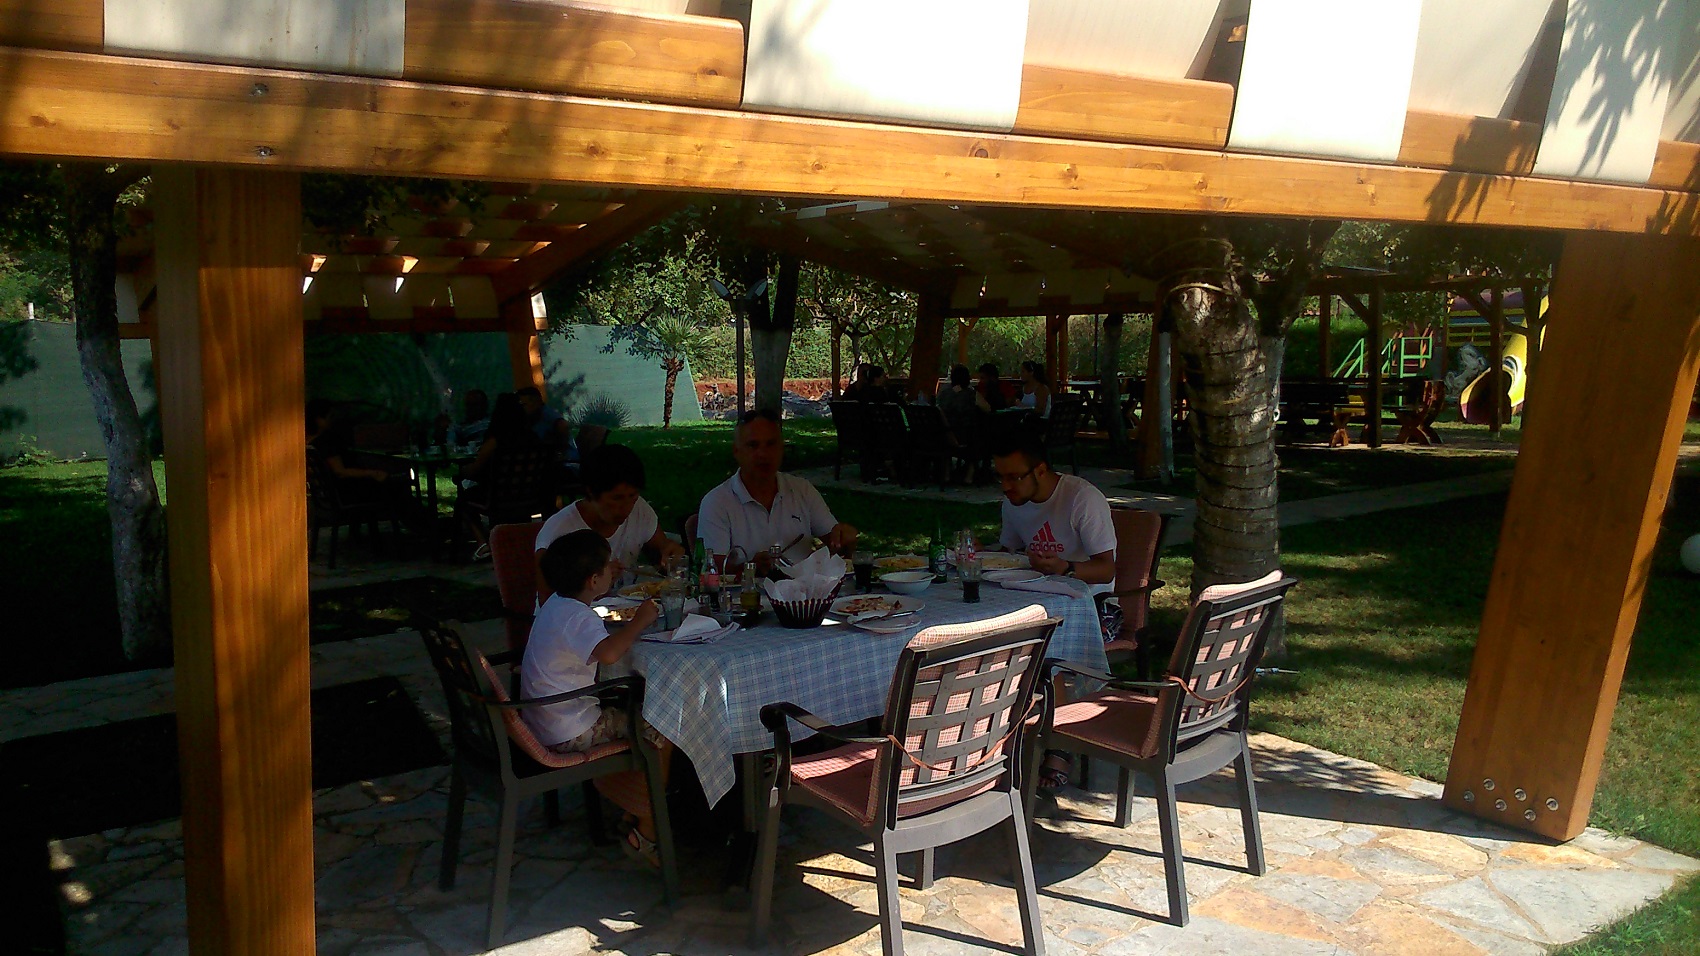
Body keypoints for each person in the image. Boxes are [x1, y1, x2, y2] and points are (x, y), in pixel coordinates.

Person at [521, 529, 670, 864]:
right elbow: (609, 654)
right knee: (664, 724)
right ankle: (648, 828)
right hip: (569, 730)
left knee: (633, 708)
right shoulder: (578, 616)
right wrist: (640, 621)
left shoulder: (555, 604)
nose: (611, 571)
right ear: (593, 580)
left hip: (543, 719)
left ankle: (632, 808)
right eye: (606, 568)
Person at [989, 426, 1116, 796]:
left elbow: (1107, 569)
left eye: (1014, 477)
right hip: (1035, 597)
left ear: (1041, 470)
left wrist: (1066, 568)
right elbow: (1008, 553)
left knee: (1046, 648)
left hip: (1095, 607)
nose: (1006, 486)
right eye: (1000, 477)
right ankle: (993, 738)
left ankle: (1059, 746)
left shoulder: (1081, 498)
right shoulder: (1013, 502)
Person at [698, 408, 857, 559]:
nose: (763, 454)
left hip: (804, 579)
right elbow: (712, 569)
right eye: (753, 445)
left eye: (770, 444)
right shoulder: (717, 503)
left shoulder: (802, 490)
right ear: (736, 451)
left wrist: (845, 539)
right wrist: (750, 568)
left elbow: (836, 543)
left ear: (781, 448)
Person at [534, 443, 685, 597]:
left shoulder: (639, 509)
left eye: (633, 496)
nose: (627, 507)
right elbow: (548, 602)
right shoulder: (559, 532)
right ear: (591, 492)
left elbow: (661, 551)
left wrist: (671, 557)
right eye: (616, 498)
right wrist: (596, 584)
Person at [454, 393, 539, 559]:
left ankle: (482, 544)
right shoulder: (533, 439)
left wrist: (461, 473)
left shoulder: (495, 441)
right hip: (528, 496)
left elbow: (475, 469)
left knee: (463, 501)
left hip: (498, 498)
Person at [937, 364, 990, 483]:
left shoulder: (943, 393)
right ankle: (969, 475)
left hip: (944, 435)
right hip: (964, 436)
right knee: (981, 435)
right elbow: (987, 408)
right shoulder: (971, 394)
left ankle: (947, 474)